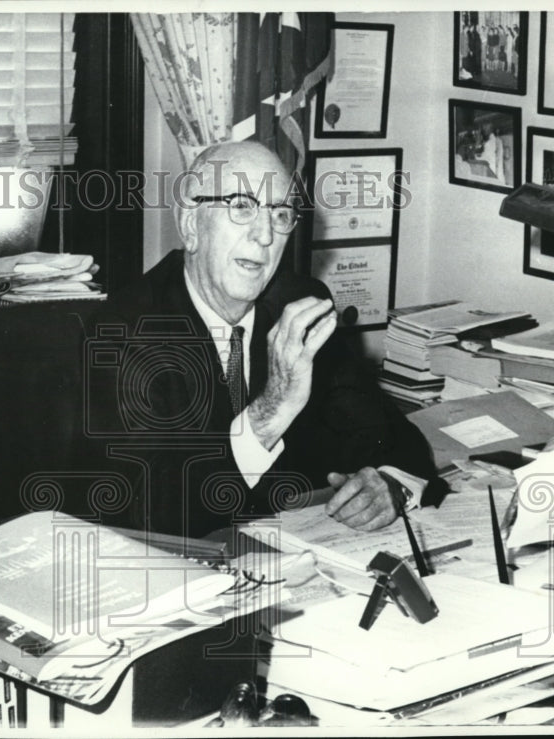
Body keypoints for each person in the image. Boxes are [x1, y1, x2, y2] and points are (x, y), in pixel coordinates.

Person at [86, 141, 436, 539]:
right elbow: (151, 516)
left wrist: (392, 484)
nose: (265, 235)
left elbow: (387, 433)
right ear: (190, 224)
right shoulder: (121, 329)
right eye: (241, 206)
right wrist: (272, 410)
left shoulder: (299, 303)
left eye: (281, 213)